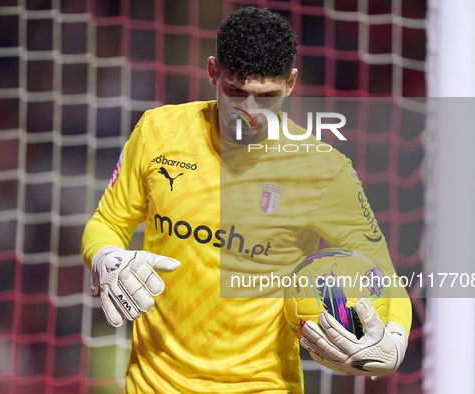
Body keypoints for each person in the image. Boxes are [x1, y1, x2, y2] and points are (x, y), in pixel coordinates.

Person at [81, 7, 412, 393]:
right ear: (212, 73)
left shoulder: (324, 171)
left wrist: (395, 342)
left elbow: (383, 276)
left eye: (266, 97)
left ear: (290, 84)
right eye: (236, 93)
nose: (249, 114)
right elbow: (107, 223)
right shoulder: (158, 132)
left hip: (262, 385)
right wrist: (106, 257)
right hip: (155, 384)